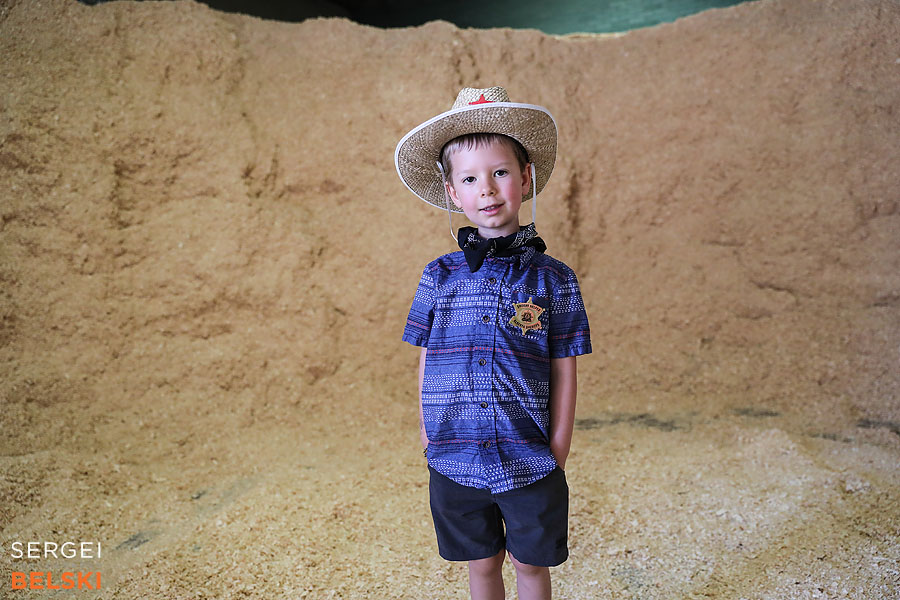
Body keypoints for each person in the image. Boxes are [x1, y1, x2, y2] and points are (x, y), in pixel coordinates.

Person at [396, 86, 592, 600]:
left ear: (525, 179)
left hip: (530, 455)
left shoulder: (555, 280)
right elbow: (426, 356)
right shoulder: (437, 276)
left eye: (501, 172)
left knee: (530, 567)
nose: (487, 189)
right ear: (452, 193)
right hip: (453, 456)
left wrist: (558, 447)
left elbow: (565, 367)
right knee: (481, 566)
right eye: (470, 178)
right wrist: (426, 431)